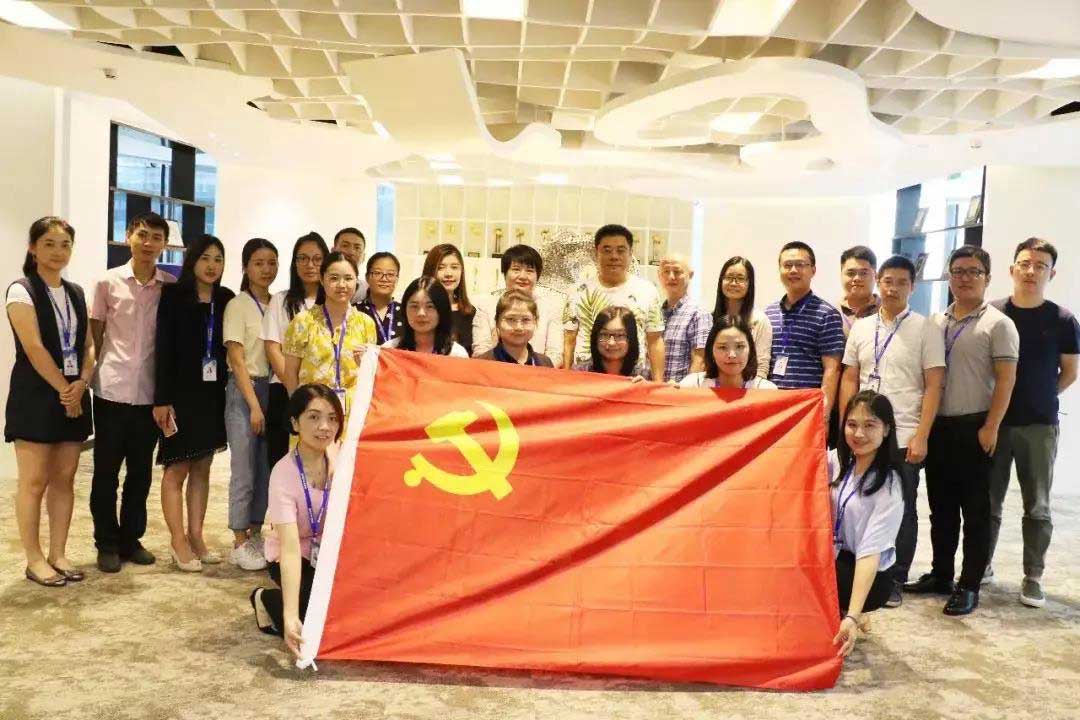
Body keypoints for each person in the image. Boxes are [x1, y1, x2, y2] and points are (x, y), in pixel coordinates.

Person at [905, 245, 1019, 616]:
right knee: (941, 508)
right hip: (939, 426)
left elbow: (1006, 380)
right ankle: (941, 574)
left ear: (987, 277)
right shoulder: (936, 321)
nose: (965, 278)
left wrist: (991, 426)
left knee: (976, 511)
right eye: (958, 271)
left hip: (975, 426)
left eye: (973, 271)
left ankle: (968, 585)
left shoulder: (998, 324)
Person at [839, 255, 945, 607]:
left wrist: (922, 435)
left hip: (904, 432)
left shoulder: (926, 328)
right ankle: (858, 570)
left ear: (912, 287)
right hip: (863, 431)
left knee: (902, 505)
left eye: (902, 282)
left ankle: (895, 577)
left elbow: (934, 384)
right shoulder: (862, 327)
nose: (893, 288)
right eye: (887, 281)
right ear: (878, 283)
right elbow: (850, 377)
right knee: (859, 500)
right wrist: (846, 426)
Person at [987, 238, 1079, 608]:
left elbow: (1069, 372)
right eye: (1025, 263)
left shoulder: (1063, 320)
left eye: (1040, 265)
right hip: (994, 423)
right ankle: (982, 566)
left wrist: (1041, 395)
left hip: (1039, 426)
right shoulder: (993, 313)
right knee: (987, 502)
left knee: (1037, 506)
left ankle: (1033, 577)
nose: (1031, 271)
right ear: (1012, 269)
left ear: (1051, 274)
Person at [5, 217, 94, 586]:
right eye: (49, 244)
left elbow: (88, 345)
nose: (58, 252)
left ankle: (58, 553)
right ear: (33, 248)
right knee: (34, 481)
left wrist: (81, 383)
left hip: (74, 392)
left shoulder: (75, 292)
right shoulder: (21, 291)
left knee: (64, 479)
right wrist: (64, 389)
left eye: (65, 244)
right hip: (36, 395)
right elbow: (34, 347)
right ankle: (35, 558)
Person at [89, 212, 176, 573]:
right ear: (128, 236)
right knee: (106, 472)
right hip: (111, 390)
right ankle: (106, 543)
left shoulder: (170, 286)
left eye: (156, 237)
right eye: (142, 235)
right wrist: (86, 377)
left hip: (148, 395)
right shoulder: (107, 282)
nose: (148, 243)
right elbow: (94, 337)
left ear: (164, 244)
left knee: (140, 473)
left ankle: (131, 539)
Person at [153, 234, 234, 572]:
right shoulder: (173, 296)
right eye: (205, 258)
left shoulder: (226, 299)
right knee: (177, 468)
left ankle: (196, 536)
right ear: (192, 260)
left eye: (218, 259)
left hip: (212, 396)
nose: (212, 265)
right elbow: (162, 349)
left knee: (202, 467)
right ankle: (177, 541)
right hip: (179, 396)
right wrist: (161, 399)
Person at [249, 383, 343, 655]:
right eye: (313, 417)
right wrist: (289, 616)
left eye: (332, 418)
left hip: (329, 553)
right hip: (291, 555)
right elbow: (289, 549)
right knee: (312, 623)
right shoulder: (283, 474)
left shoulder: (341, 460)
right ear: (294, 422)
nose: (324, 427)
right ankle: (265, 598)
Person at [829, 390, 904, 657]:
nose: (859, 434)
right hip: (837, 556)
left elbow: (870, 553)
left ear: (887, 430)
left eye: (870, 425)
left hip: (869, 575)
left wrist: (851, 615)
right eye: (852, 424)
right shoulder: (838, 461)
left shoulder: (889, 487)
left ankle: (851, 611)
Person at [224, 238, 279, 571]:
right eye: (259, 263)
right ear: (246, 267)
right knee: (243, 468)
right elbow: (236, 358)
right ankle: (239, 539)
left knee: (264, 468)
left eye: (272, 262)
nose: (266, 269)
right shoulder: (238, 304)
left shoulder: (278, 303)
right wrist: (255, 406)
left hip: (272, 389)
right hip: (245, 389)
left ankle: (256, 533)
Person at [283, 251, 377, 426]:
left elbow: (371, 375)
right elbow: (290, 373)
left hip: (353, 416)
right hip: (312, 415)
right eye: (334, 278)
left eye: (348, 278)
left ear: (356, 281)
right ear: (322, 279)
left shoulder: (366, 324)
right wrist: (298, 411)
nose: (341, 285)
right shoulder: (303, 322)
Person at [262, 233, 328, 471]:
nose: (310, 265)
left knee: (320, 465)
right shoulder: (280, 300)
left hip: (324, 394)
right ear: (294, 262)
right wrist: (295, 390)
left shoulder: (331, 301)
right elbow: (272, 346)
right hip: (284, 392)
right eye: (303, 258)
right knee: (283, 465)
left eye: (317, 259)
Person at [563, 225, 665, 379]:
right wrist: (565, 378)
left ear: (631, 254)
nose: (614, 256)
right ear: (596, 253)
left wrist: (658, 384)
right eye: (607, 250)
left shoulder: (647, 290)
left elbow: (655, 340)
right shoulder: (577, 290)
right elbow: (569, 339)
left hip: (634, 379)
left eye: (621, 250)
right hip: (585, 378)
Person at [764, 241, 846, 422]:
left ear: (813, 270)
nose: (793, 270)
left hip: (806, 409)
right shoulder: (768, 313)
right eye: (787, 265)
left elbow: (832, 369)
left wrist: (823, 414)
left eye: (800, 265)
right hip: (772, 407)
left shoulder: (827, 314)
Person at [472, 244, 566, 366]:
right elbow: (480, 350)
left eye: (529, 271)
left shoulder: (550, 308)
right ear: (505, 273)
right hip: (495, 370)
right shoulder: (485, 306)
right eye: (516, 269)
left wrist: (534, 371)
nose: (523, 276)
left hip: (538, 372)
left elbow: (555, 353)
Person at [712, 256, 772, 379]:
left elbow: (761, 366)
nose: (733, 283)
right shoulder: (709, 318)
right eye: (729, 277)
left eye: (740, 278)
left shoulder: (759, 320)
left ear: (750, 283)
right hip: (713, 386)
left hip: (749, 387)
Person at [679, 316, 777, 389]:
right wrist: (672, 392)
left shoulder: (766, 390)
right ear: (711, 350)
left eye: (739, 346)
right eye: (723, 347)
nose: (732, 355)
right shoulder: (692, 385)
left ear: (751, 350)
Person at [384, 277, 469, 357]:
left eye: (430, 306)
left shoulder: (456, 354)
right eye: (414, 306)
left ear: (442, 310)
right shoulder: (389, 350)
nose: (421, 313)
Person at [658, 254, 710, 383]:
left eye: (677, 271)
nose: (671, 277)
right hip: (653, 389)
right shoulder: (656, 312)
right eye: (666, 271)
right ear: (659, 275)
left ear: (690, 275)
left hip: (680, 390)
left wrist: (684, 389)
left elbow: (700, 361)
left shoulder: (699, 313)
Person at [475, 290, 554, 367]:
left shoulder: (545, 363)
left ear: (535, 322)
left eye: (526, 319)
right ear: (497, 323)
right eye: (511, 319)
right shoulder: (482, 364)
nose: (518, 327)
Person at [423, 244, 475, 355]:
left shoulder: (471, 313)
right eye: (440, 268)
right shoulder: (419, 310)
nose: (448, 274)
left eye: (454, 267)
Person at [571, 305, 648, 380]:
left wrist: (645, 387)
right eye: (604, 334)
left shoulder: (644, 376)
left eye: (620, 335)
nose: (611, 342)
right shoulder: (579, 373)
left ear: (631, 338)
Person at [355, 251, 404, 345]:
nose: (384, 279)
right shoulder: (354, 311)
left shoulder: (406, 312)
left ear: (397, 279)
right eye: (377, 273)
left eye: (390, 274)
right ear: (367, 277)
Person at [839, 246, 881, 337]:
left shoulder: (887, 310)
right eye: (850, 273)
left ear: (876, 276)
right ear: (841, 275)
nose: (857, 278)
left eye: (864, 273)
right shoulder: (831, 313)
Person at [332, 227, 368, 303]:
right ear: (333, 251)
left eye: (357, 248)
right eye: (345, 245)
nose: (351, 252)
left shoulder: (368, 291)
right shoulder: (320, 285)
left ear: (363, 257)